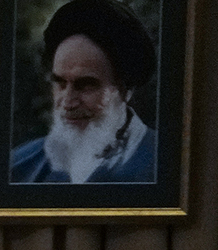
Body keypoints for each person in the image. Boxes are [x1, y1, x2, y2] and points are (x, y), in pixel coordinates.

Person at [10, 0, 160, 184]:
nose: (67, 103)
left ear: (126, 89)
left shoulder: (167, 167)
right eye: (60, 83)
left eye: (86, 85)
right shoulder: (19, 167)